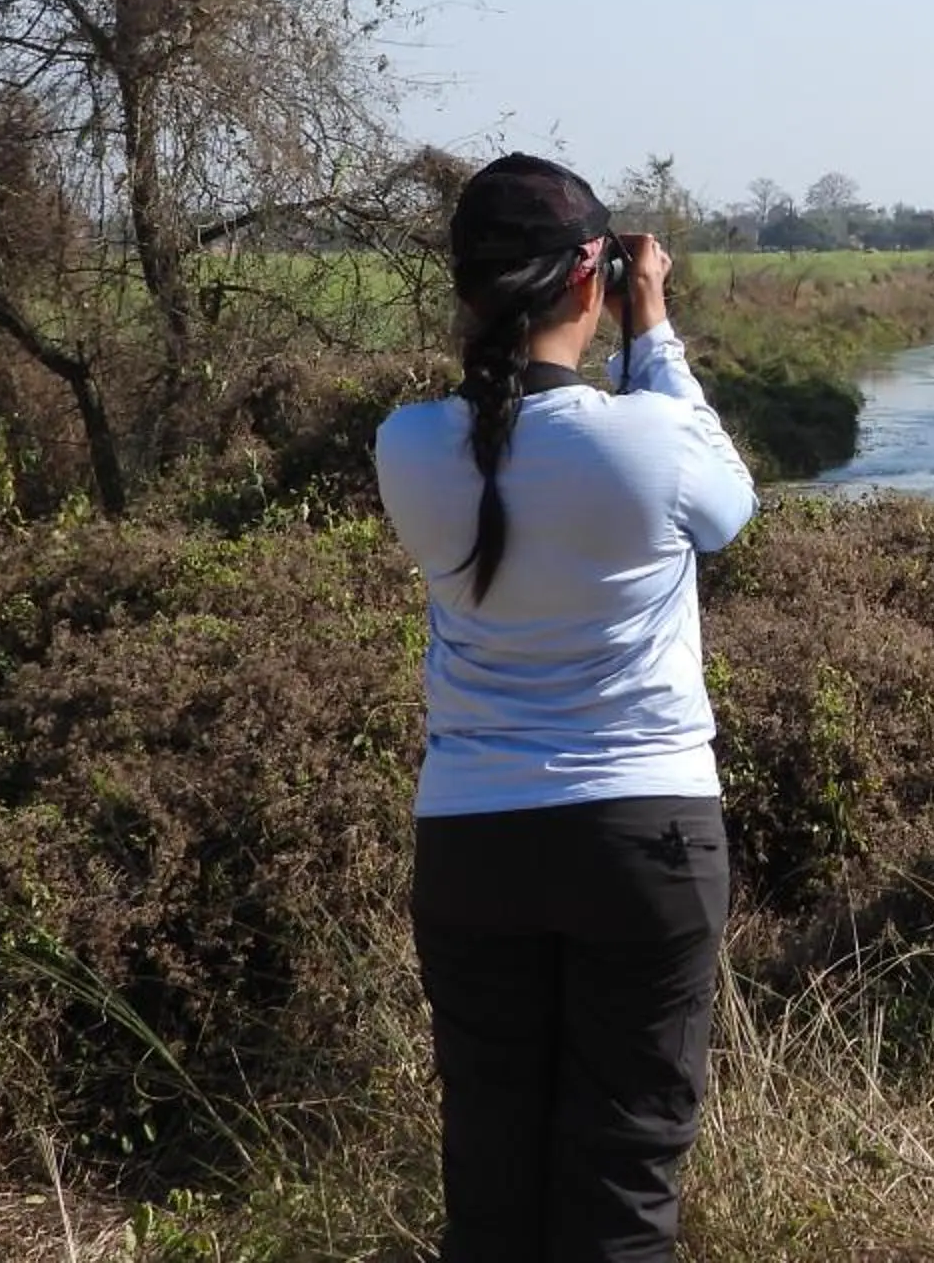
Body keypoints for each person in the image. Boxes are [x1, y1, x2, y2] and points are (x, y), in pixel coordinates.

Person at [373, 152, 758, 1261]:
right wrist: (658, 331)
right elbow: (728, 509)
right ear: (591, 280)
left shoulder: (406, 449)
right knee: (622, 1181)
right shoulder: (647, 434)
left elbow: (513, 440)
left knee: (491, 1186)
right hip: (645, 839)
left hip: (471, 838)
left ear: (464, 289)